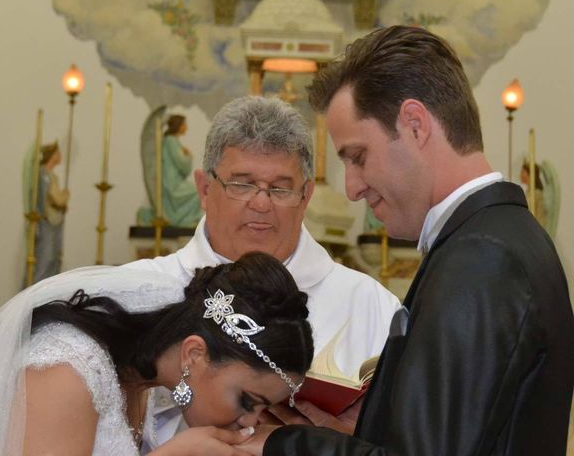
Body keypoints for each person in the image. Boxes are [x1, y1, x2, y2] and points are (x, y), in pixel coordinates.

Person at [241, 26, 574, 455]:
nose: (352, 188)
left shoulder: (483, 259)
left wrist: (282, 444)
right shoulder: (501, 238)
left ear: (415, 125)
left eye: (358, 157)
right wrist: (373, 422)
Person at [124, 95, 401, 452]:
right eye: (242, 183)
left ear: (306, 195)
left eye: (280, 188)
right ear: (204, 189)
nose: (261, 203)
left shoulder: (372, 305)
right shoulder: (139, 293)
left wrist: (343, 444)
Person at [0, 252, 313, 455]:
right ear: (194, 354)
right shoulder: (65, 370)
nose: (248, 422)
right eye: (248, 400)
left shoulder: (139, 377)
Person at [138, 112, 203, 227]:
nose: (186, 127)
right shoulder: (171, 141)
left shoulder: (172, 141)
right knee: (198, 192)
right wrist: (188, 157)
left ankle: (184, 219)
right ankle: (183, 220)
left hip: (174, 181)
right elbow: (182, 164)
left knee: (199, 191)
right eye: (184, 124)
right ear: (179, 126)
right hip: (172, 184)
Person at [33, 142, 69, 282]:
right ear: (52, 156)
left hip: (54, 221)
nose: (60, 156)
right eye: (57, 153)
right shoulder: (43, 174)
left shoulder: (51, 175)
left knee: (54, 258)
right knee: (46, 258)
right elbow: (52, 199)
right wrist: (64, 196)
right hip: (47, 222)